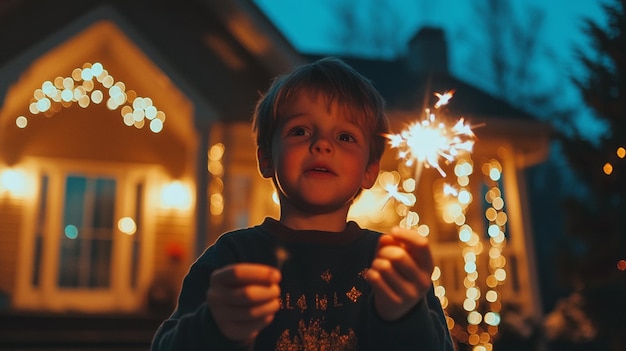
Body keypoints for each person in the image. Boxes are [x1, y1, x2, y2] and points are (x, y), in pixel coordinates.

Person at [151, 57, 454, 350]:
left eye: (345, 136)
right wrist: (215, 327)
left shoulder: (392, 265)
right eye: (300, 131)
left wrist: (405, 316)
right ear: (267, 160)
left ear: (369, 171)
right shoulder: (232, 257)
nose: (322, 144)